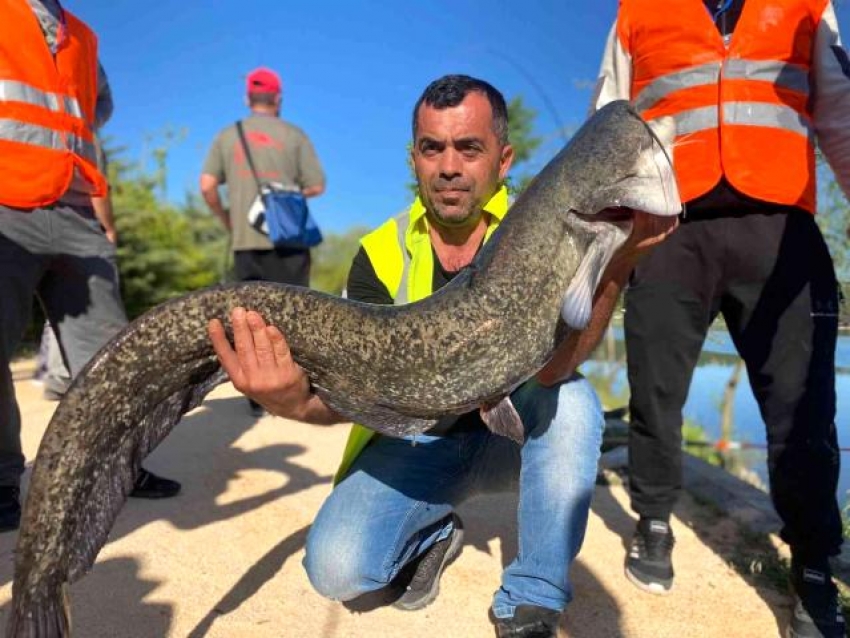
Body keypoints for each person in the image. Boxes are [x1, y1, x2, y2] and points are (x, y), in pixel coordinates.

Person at [208, 74, 676, 637]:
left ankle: (533, 598)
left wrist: (618, 265)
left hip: (513, 433)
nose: (449, 166)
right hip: (419, 441)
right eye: (433, 148)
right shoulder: (378, 253)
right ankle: (435, 535)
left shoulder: (550, 225)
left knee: (572, 403)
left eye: (468, 148)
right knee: (336, 570)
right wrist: (287, 401)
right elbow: (360, 401)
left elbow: (555, 367)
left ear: (503, 160)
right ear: (415, 158)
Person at [591, 2, 850, 636]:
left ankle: (813, 564)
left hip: (782, 228)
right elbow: (607, 123)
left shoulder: (808, 6)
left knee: (803, 407)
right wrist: (601, 234)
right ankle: (653, 522)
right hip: (667, 228)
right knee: (655, 390)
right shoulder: (637, 12)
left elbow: (840, 110)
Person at [0, 0, 181, 533]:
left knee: (110, 354)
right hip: (5, 203)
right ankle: (2, 480)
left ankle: (118, 466)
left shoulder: (84, 36)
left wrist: (92, 194)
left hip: (76, 205)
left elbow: (90, 113)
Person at [200, 66, 326, 417]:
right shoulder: (295, 135)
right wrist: (285, 195)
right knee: (295, 317)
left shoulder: (229, 135)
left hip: (245, 241)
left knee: (247, 319)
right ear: (278, 98)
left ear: (247, 98)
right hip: (289, 238)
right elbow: (318, 186)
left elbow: (208, 186)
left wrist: (230, 220)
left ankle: (258, 398)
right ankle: (298, 391)